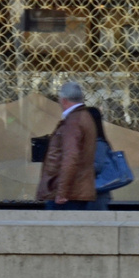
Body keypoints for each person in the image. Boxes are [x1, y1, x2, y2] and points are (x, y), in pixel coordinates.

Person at [36, 80, 98, 210]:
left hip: (68, 194)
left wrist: (61, 192)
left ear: (64, 100)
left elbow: (70, 157)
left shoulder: (73, 122)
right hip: (77, 190)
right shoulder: (84, 117)